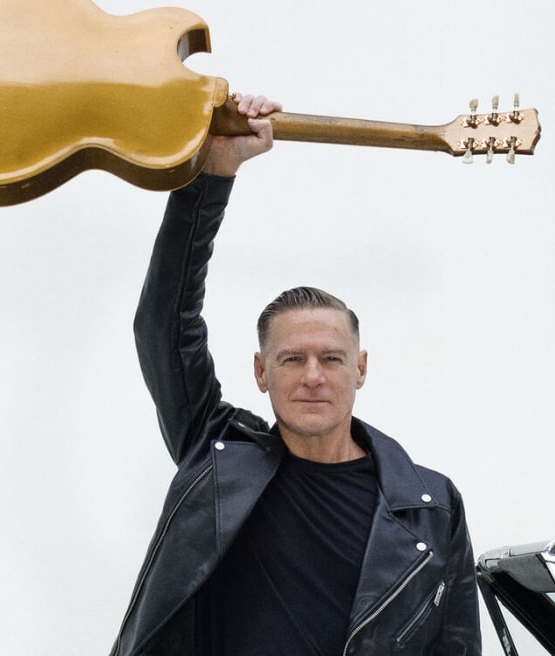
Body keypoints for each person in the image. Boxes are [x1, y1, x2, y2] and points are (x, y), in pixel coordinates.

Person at [112, 95, 481, 656]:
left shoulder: (431, 506)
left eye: (331, 359)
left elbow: (456, 647)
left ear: (360, 369)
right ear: (261, 372)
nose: (313, 376)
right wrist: (213, 174)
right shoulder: (216, 457)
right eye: (292, 359)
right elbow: (164, 324)